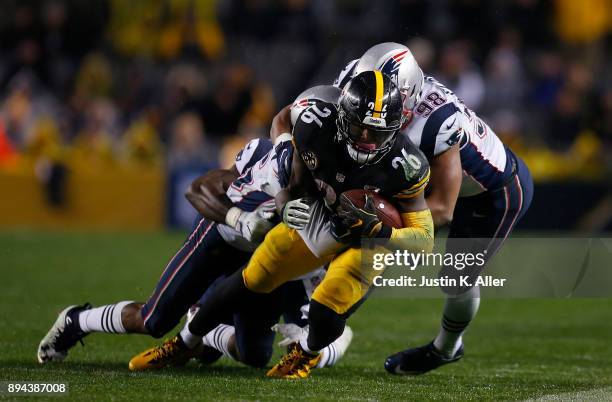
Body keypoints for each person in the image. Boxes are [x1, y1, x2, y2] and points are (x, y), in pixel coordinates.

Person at [143, 71, 434, 379]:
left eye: (375, 132)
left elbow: (424, 241)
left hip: (371, 240)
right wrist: (285, 205)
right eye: (358, 126)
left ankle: (305, 355)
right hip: (324, 218)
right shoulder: (315, 125)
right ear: (341, 117)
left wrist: (378, 230)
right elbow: (294, 186)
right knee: (252, 277)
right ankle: (183, 343)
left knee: (328, 303)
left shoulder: (408, 164)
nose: (365, 138)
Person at [37, 88, 353, 369]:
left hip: (260, 260)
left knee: (254, 355)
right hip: (222, 240)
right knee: (154, 320)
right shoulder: (270, 167)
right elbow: (197, 189)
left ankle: (206, 332)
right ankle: (76, 320)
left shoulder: (331, 181)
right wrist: (237, 218)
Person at [334, 43, 534, 375]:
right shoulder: (357, 80)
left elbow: (442, 208)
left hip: (492, 191)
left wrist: (383, 229)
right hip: (426, 175)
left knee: (455, 277)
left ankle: (446, 348)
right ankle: (322, 312)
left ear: (408, 98)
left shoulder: (437, 121)